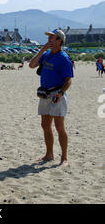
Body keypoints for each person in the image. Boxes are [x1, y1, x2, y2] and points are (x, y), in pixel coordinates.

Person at [29, 29, 74, 166]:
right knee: (45, 125)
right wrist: (42, 50)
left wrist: (60, 94)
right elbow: (31, 65)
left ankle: (64, 157)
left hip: (57, 95)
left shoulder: (63, 58)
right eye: (49, 37)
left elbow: (69, 80)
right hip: (44, 94)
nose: (49, 40)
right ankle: (49, 154)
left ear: (59, 40)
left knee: (59, 127)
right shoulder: (47, 54)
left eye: (52, 38)